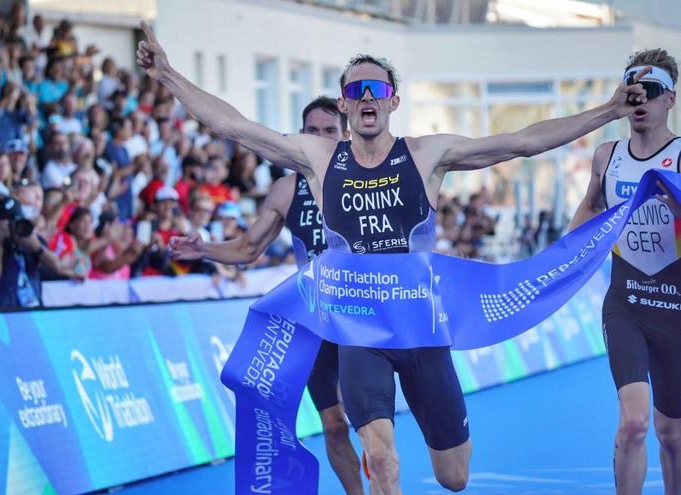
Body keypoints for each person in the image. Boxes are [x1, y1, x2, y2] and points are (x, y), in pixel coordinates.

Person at [137, 21, 647, 493]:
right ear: (342, 104)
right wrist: (167, 75)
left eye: (375, 89)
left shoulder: (426, 155)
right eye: (355, 90)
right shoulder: (318, 159)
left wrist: (607, 111)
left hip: (423, 330)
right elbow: (234, 126)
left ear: (392, 101)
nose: (365, 97)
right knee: (380, 461)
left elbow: (520, 143)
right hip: (361, 331)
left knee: (455, 475)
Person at [169, 96, 363, 494]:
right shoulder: (285, 190)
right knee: (334, 424)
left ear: (344, 136)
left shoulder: (366, 180)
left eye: (330, 131)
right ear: (300, 136)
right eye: (313, 131)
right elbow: (247, 249)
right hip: (315, 323)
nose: (321, 138)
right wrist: (204, 248)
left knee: (373, 425)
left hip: (364, 318)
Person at [569, 49, 681, 495]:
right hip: (626, 304)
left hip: (674, 308)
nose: (640, 101)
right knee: (633, 423)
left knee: (671, 434)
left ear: (669, 98)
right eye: (631, 92)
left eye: (650, 92)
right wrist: (570, 249)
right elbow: (591, 206)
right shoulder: (607, 156)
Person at [0, 197, 63, 308]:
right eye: (8, 222)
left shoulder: (32, 240)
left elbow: (57, 266)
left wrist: (35, 246)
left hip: (35, 312)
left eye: (17, 221)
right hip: (2, 314)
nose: (13, 226)